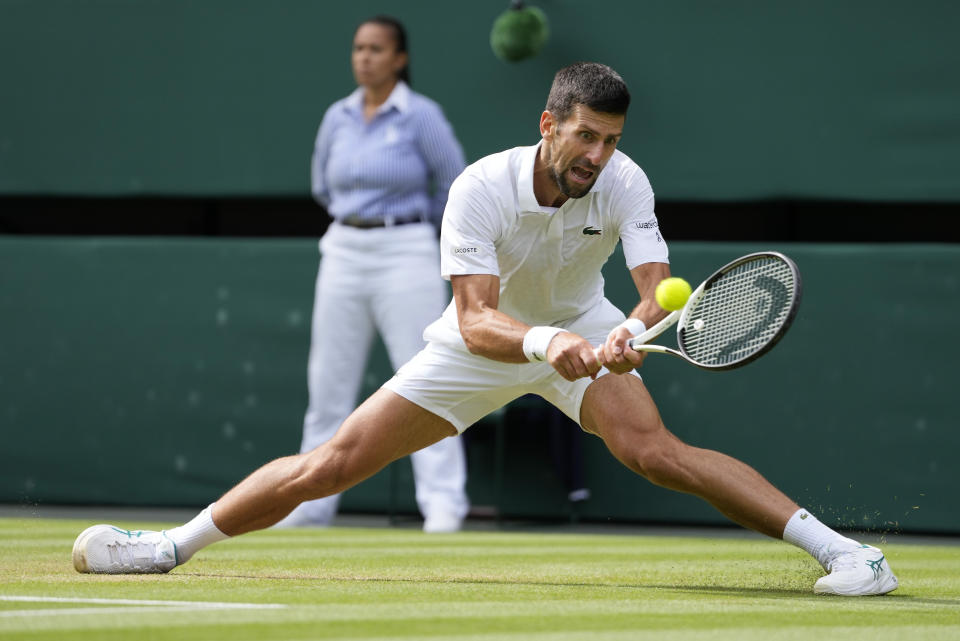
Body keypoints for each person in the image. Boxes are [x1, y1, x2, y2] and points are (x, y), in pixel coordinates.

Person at [71, 62, 897, 596]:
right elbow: (474, 316)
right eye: (584, 135)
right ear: (549, 123)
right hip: (490, 341)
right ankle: (167, 547)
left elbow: (657, 292)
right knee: (334, 462)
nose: (598, 154)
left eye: (610, 140)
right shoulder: (479, 188)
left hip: (582, 321)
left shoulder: (625, 182)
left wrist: (624, 333)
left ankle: (849, 554)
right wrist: (546, 345)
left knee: (658, 453)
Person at [275, 15, 469, 533]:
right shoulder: (336, 116)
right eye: (359, 48)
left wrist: (411, 227)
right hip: (342, 248)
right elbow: (322, 184)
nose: (365, 57)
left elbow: (455, 183)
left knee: (428, 377)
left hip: (405, 247)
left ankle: (444, 505)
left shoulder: (422, 115)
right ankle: (310, 503)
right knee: (328, 383)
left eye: (377, 49)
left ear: (399, 59)